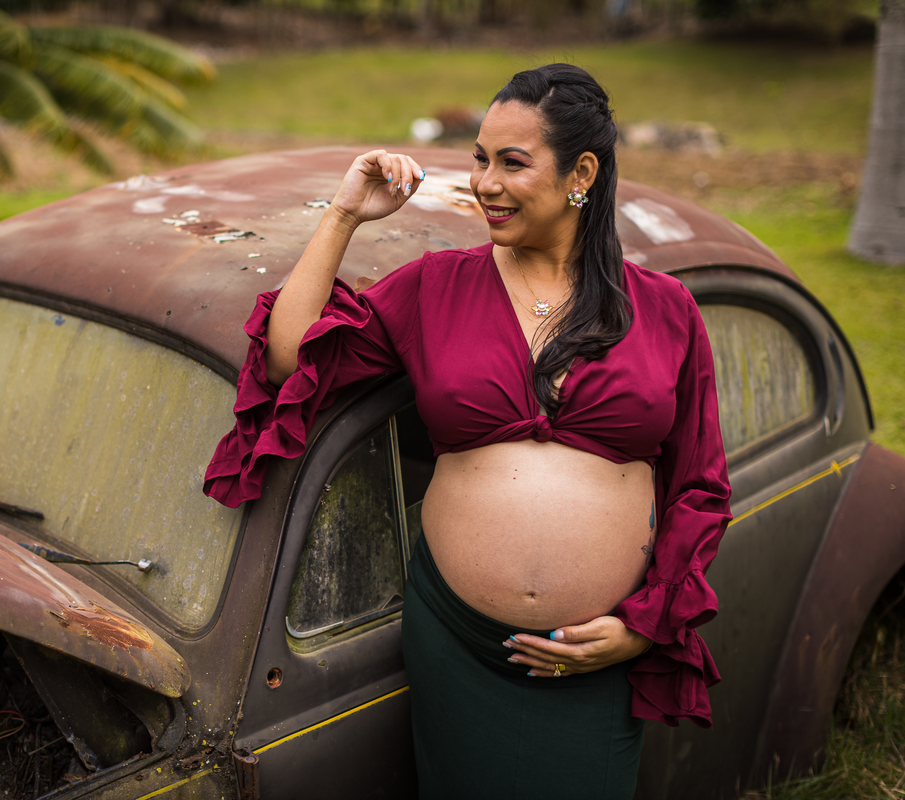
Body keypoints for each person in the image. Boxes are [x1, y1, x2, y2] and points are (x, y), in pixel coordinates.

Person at [203, 63, 731, 799]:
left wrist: (643, 628)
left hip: (598, 655)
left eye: (512, 162)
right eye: (479, 157)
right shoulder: (433, 288)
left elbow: (701, 486)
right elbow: (292, 358)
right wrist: (345, 214)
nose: (484, 181)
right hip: (458, 642)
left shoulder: (667, 309)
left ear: (581, 172)